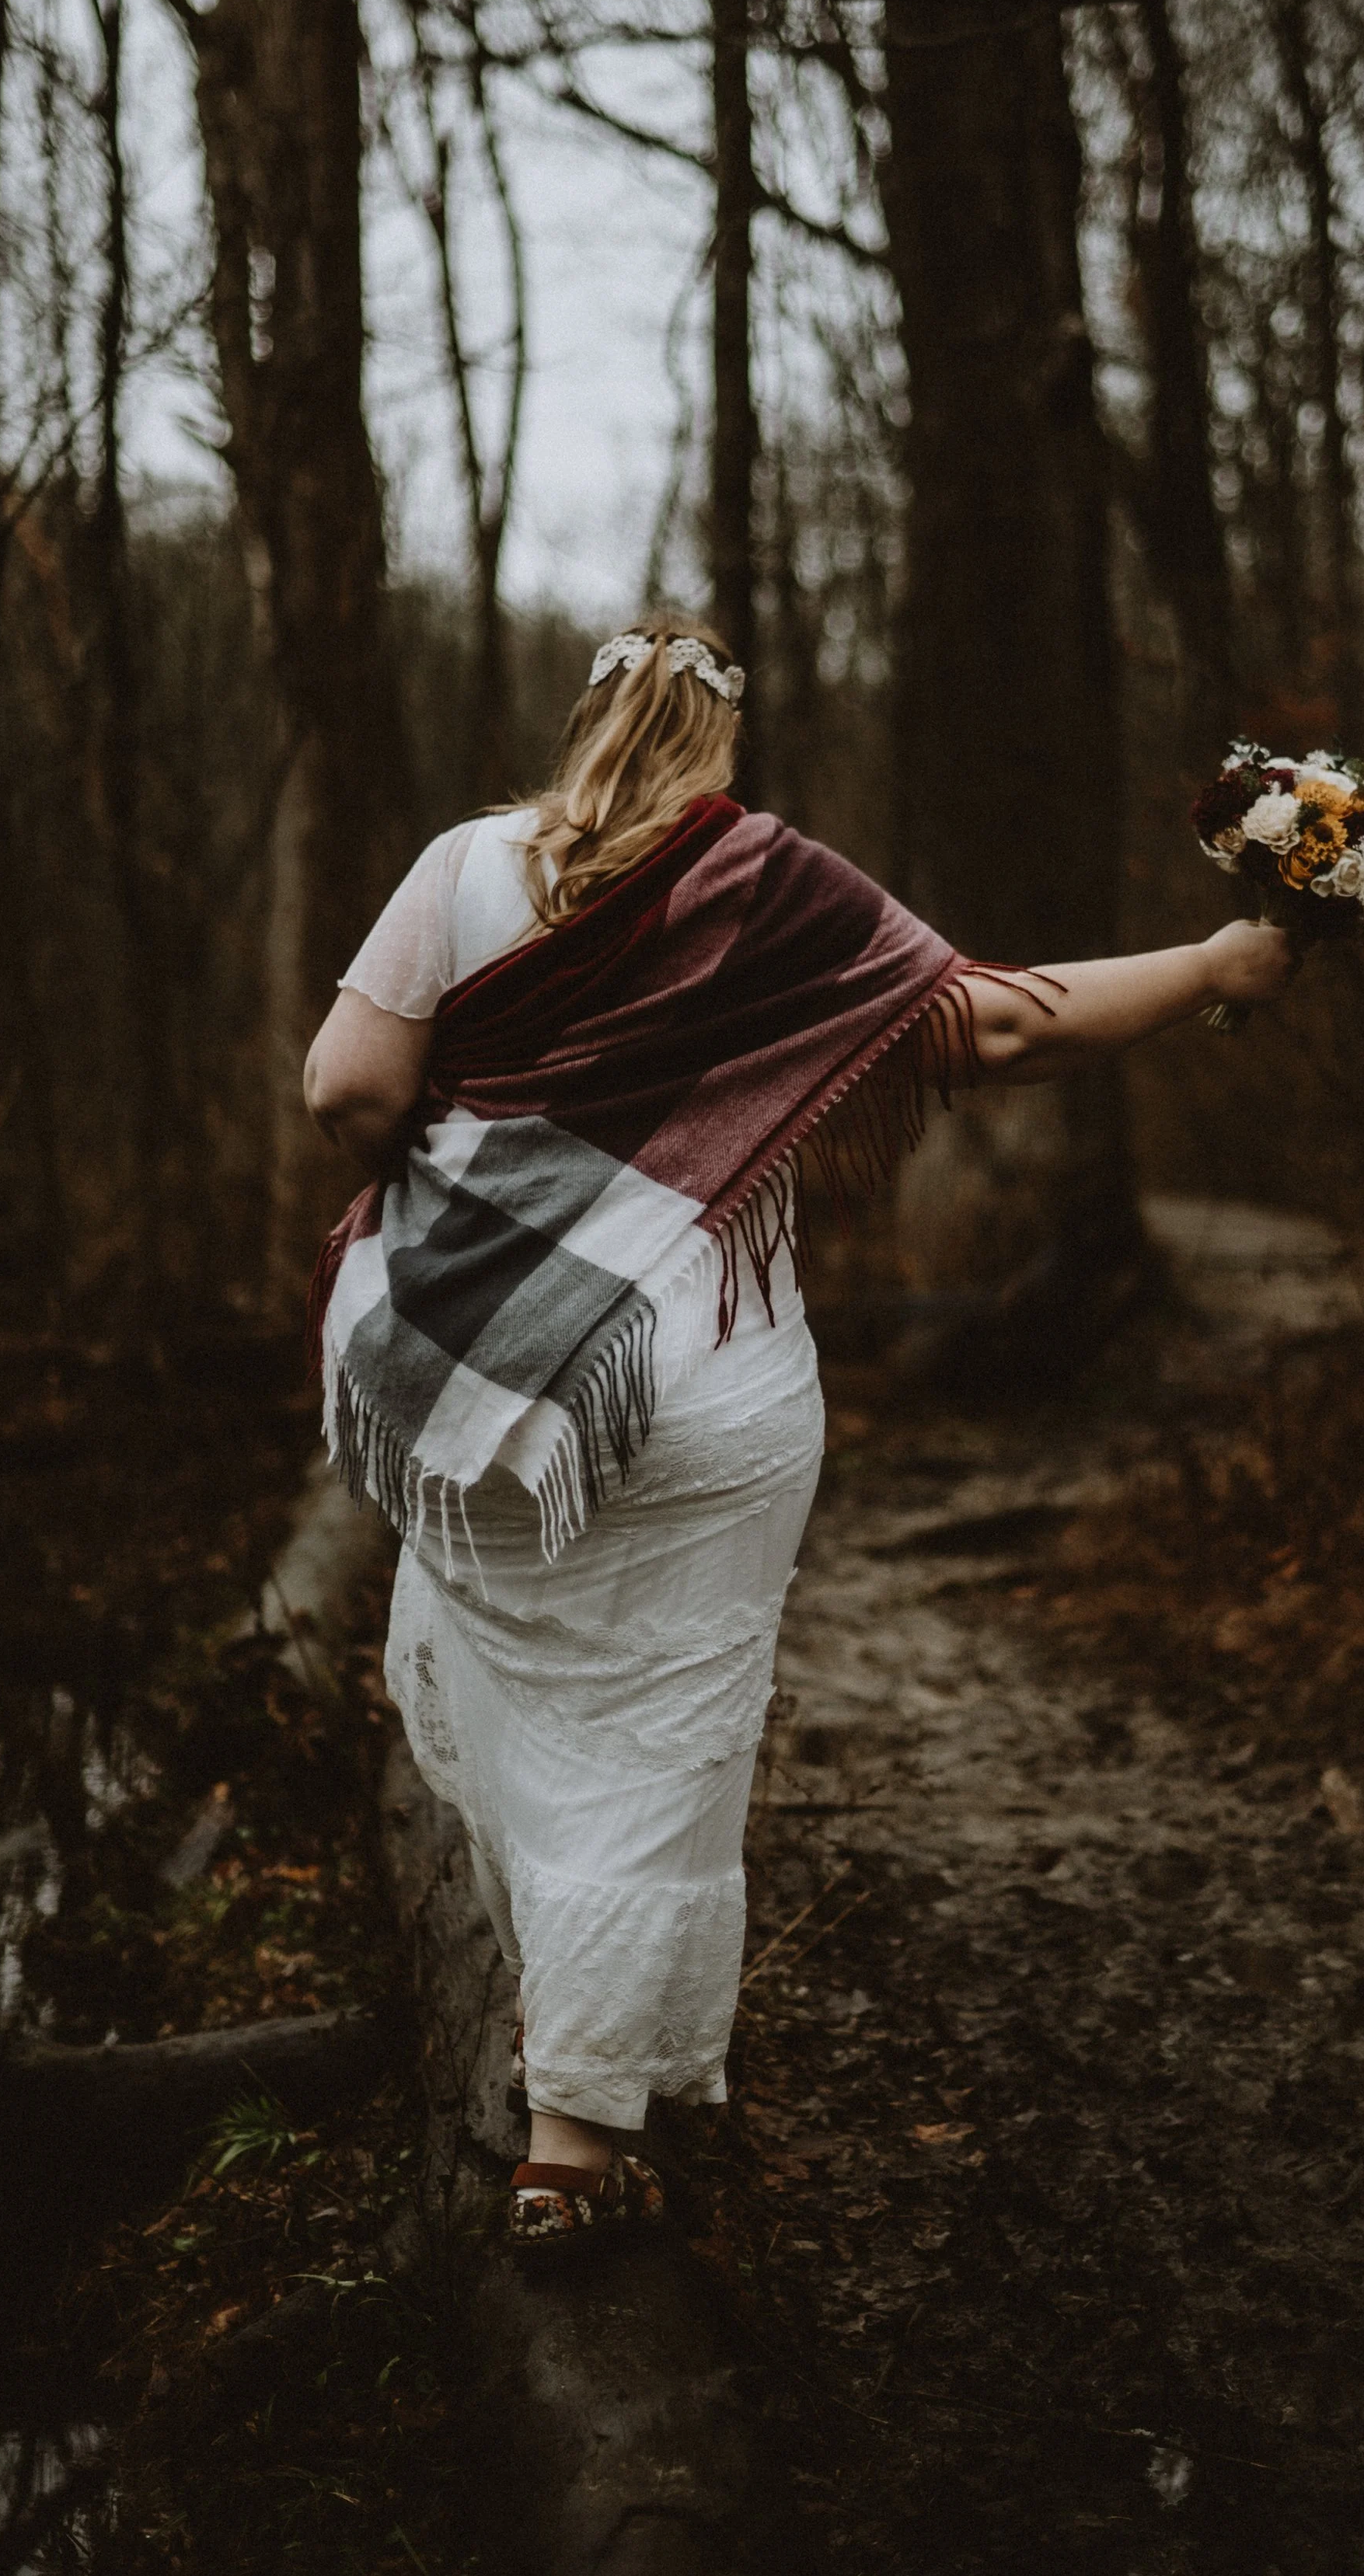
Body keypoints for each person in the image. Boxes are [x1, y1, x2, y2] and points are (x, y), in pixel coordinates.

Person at [303, 615, 1292, 2247]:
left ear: (584, 726)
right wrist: (1210, 969)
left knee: (500, 1700)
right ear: (718, 756)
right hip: (695, 1386)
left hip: (483, 1379)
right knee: (656, 1743)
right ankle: (576, 2131)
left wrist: (491, 1158)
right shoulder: (774, 886)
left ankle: (568, 2052)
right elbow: (999, 1025)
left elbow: (347, 1086)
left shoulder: (463, 865)